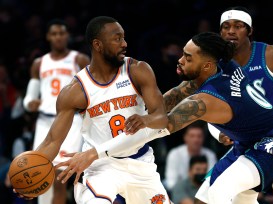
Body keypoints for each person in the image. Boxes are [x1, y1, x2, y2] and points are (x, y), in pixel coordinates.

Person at [55, 32, 273, 204]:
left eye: (188, 57)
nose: (181, 59)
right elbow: (167, 100)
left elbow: (159, 126)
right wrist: (128, 106)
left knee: (215, 195)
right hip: (245, 141)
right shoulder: (222, 65)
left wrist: (93, 153)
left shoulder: (204, 100)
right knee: (221, 199)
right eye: (183, 53)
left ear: (206, 66)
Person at [16, 16, 171, 204]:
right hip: (100, 167)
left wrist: (146, 119)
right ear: (98, 45)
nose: (124, 44)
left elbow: (162, 118)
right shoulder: (75, 90)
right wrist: (29, 175)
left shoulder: (138, 70)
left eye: (123, 37)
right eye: (117, 39)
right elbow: (52, 141)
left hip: (141, 164)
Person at [206, 6, 273, 204]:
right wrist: (219, 134)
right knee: (210, 197)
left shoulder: (271, 54)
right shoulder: (215, 67)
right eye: (225, 27)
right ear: (220, 33)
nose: (231, 31)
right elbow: (207, 109)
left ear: (250, 31)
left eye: (238, 26)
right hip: (245, 144)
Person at [22, 19, 90, 204]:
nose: (58, 37)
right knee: (41, 176)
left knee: (60, 179)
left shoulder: (80, 60)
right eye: (54, 34)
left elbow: (92, 90)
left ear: (67, 36)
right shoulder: (38, 63)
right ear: (48, 37)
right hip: (45, 121)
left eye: (62, 33)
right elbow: (29, 98)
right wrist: (30, 104)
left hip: (71, 122)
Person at [164, 121, 216, 190]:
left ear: (203, 138)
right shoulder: (175, 154)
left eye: (199, 136)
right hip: (179, 191)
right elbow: (171, 182)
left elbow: (212, 181)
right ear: (185, 137)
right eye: (192, 136)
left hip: (202, 191)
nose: (196, 140)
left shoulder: (210, 155)